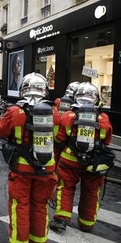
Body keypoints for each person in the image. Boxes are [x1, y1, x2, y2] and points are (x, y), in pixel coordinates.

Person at [0, 72, 61, 243]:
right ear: (44, 90)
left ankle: (19, 240)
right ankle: (38, 239)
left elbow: (0, 130)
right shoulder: (54, 112)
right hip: (47, 168)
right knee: (40, 206)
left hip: (22, 168)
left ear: (23, 90)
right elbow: (59, 137)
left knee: (20, 205)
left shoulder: (15, 111)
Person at [50, 82, 113, 233]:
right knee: (91, 191)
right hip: (94, 164)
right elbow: (107, 141)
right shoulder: (103, 118)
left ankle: (61, 219)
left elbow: (59, 139)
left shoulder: (68, 116)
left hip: (69, 161)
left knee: (65, 188)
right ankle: (87, 223)